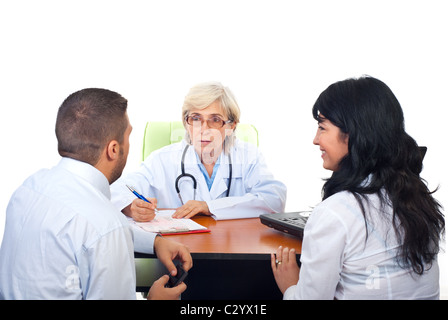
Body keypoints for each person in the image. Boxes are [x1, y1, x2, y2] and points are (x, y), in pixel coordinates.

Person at [0, 88, 192, 300]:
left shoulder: (29, 187)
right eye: (128, 135)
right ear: (112, 149)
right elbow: (100, 232)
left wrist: (154, 242)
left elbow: (86, 236)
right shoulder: (106, 225)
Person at [271, 76, 445, 299]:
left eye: (322, 127)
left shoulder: (336, 212)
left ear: (352, 134)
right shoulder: (418, 198)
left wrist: (291, 286)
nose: (316, 140)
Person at [111, 81, 287, 221]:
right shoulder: (162, 159)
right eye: (195, 118)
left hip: (234, 252)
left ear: (231, 125)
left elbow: (274, 200)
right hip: (178, 251)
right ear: (186, 122)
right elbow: (118, 190)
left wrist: (209, 207)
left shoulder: (249, 156)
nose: (204, 129)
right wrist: (131, 206)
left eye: (215, 120)